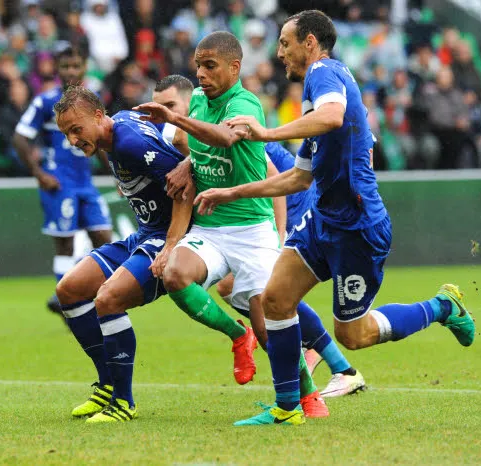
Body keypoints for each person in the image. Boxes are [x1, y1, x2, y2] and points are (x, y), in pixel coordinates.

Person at [194, 10, 476, 425]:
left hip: (358, 227)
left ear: (310, 43)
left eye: (285, 43)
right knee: (275, 299)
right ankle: (288, 408)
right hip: (323, 220)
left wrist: (265, 132)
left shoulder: (324, 72)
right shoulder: (315, 99)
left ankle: (442, 307)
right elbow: (297, 177)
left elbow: (333, 116)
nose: (280, 53)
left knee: (353, 334)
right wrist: (232, 192)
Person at [133, 32, 321, 415]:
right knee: (174, 275)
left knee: (273, 333)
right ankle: (238, 335)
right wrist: (187, 163)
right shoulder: (199, 101)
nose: (201, 74)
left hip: (253, 230)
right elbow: (192, 147)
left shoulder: (246, 102)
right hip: (211, 229)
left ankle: (309, 394)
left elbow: (224, 139)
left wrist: (175, 118)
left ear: (234, 67)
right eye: (198, 65)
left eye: (210, 65)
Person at [155, 74, 362, 399]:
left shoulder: (223, 115)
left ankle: (340, 370)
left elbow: (271, 176)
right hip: (254, 203)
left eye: (170, 106)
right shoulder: (184, 129)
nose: (165, 113)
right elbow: (198, 156)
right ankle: (315, 361)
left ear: (185, 102)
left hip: (285, 199)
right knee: (231, 288)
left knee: (276, 298)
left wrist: (279, 237)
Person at [52, 85, 193, 423]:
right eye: (66, 133)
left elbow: (185, 187)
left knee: (109, 299)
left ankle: (124, 402)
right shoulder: (122, 125)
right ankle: (107, 384)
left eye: (76, 129)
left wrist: (172, 244)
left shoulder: (130, 144)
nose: (73, 140)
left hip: (168, 237)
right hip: (143, 234)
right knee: (68, 290)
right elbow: (175, 133)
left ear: (99, 117)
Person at [13, 45, 113, 310]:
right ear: (57, 69)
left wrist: (117, 174)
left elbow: (103, 142)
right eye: (65, 66)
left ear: (84, 68)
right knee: (65, 246)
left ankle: (103, 297)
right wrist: (39, 173)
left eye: (76, 66)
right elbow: (19, 137)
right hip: (58, 183)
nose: (71, 71)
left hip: (86, 183)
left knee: (105, 239)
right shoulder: (45, 102)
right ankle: (68, 303)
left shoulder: (94, 102)